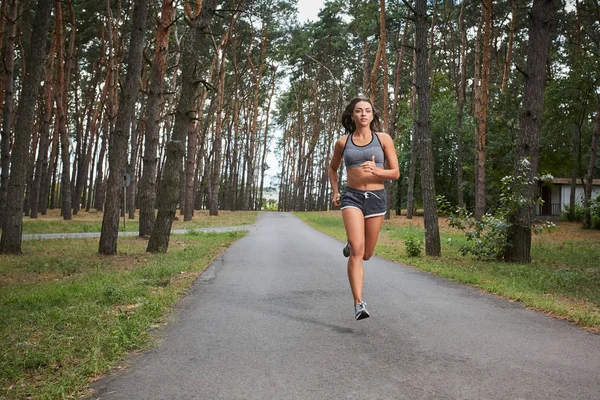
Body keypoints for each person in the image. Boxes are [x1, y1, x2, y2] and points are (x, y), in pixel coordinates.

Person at [329, 97, 400, 320]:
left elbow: (396, 173)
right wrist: (336, 191)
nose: (363, 114)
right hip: (352, 197)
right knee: (359, 250)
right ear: (352, 116)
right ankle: (358, 303)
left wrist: (377, 171)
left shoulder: (383, 139)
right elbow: (332, 169)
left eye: (367, 111)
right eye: (359, 111)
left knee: (366, 254)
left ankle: (352, 245)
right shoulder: (343, 142)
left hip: (376, 198)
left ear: (372, 115)